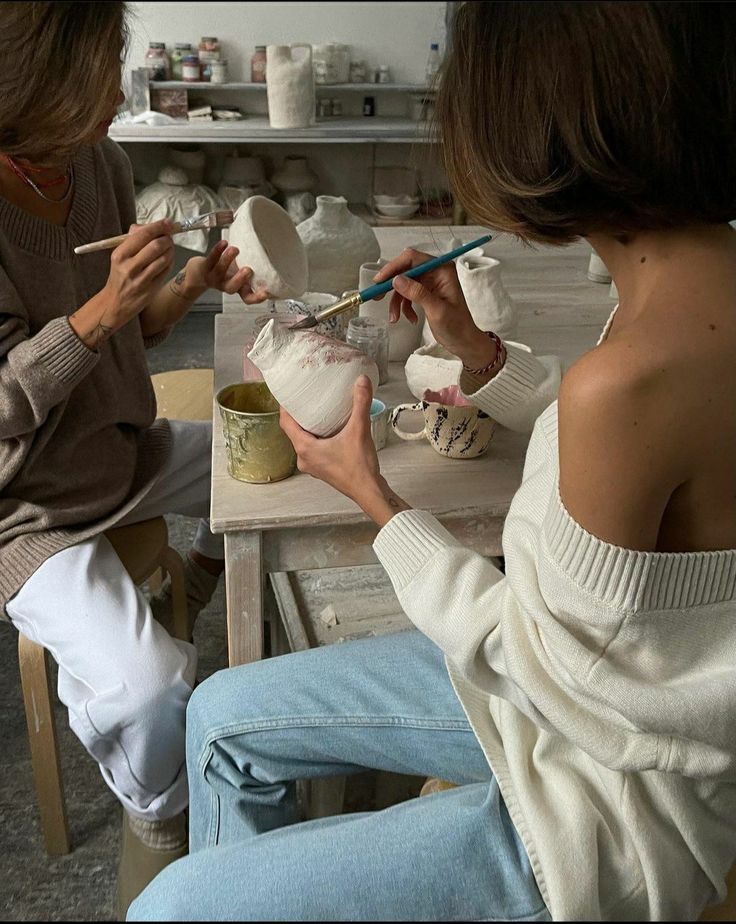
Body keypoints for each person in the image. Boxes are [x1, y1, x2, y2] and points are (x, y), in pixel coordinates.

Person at [129, 1, 736, 921]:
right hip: (577, 697)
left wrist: (372, 493)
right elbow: (630, 444)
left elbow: (537, 665)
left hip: (601, 804)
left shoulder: (631, 379)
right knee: (218, 719)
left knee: (172, 908)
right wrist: (474, 349)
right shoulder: (693, 284)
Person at [0, 2, 267, 916]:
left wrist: (185, 283)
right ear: (29, 81)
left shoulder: (98, 163)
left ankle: (195, 577)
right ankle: (160, 823)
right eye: (95, 73)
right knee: (155, 693)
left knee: (279, 456)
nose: (112, 93)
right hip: (28, 509)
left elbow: (132, 342)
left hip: (124, 448)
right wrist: (95, 316)